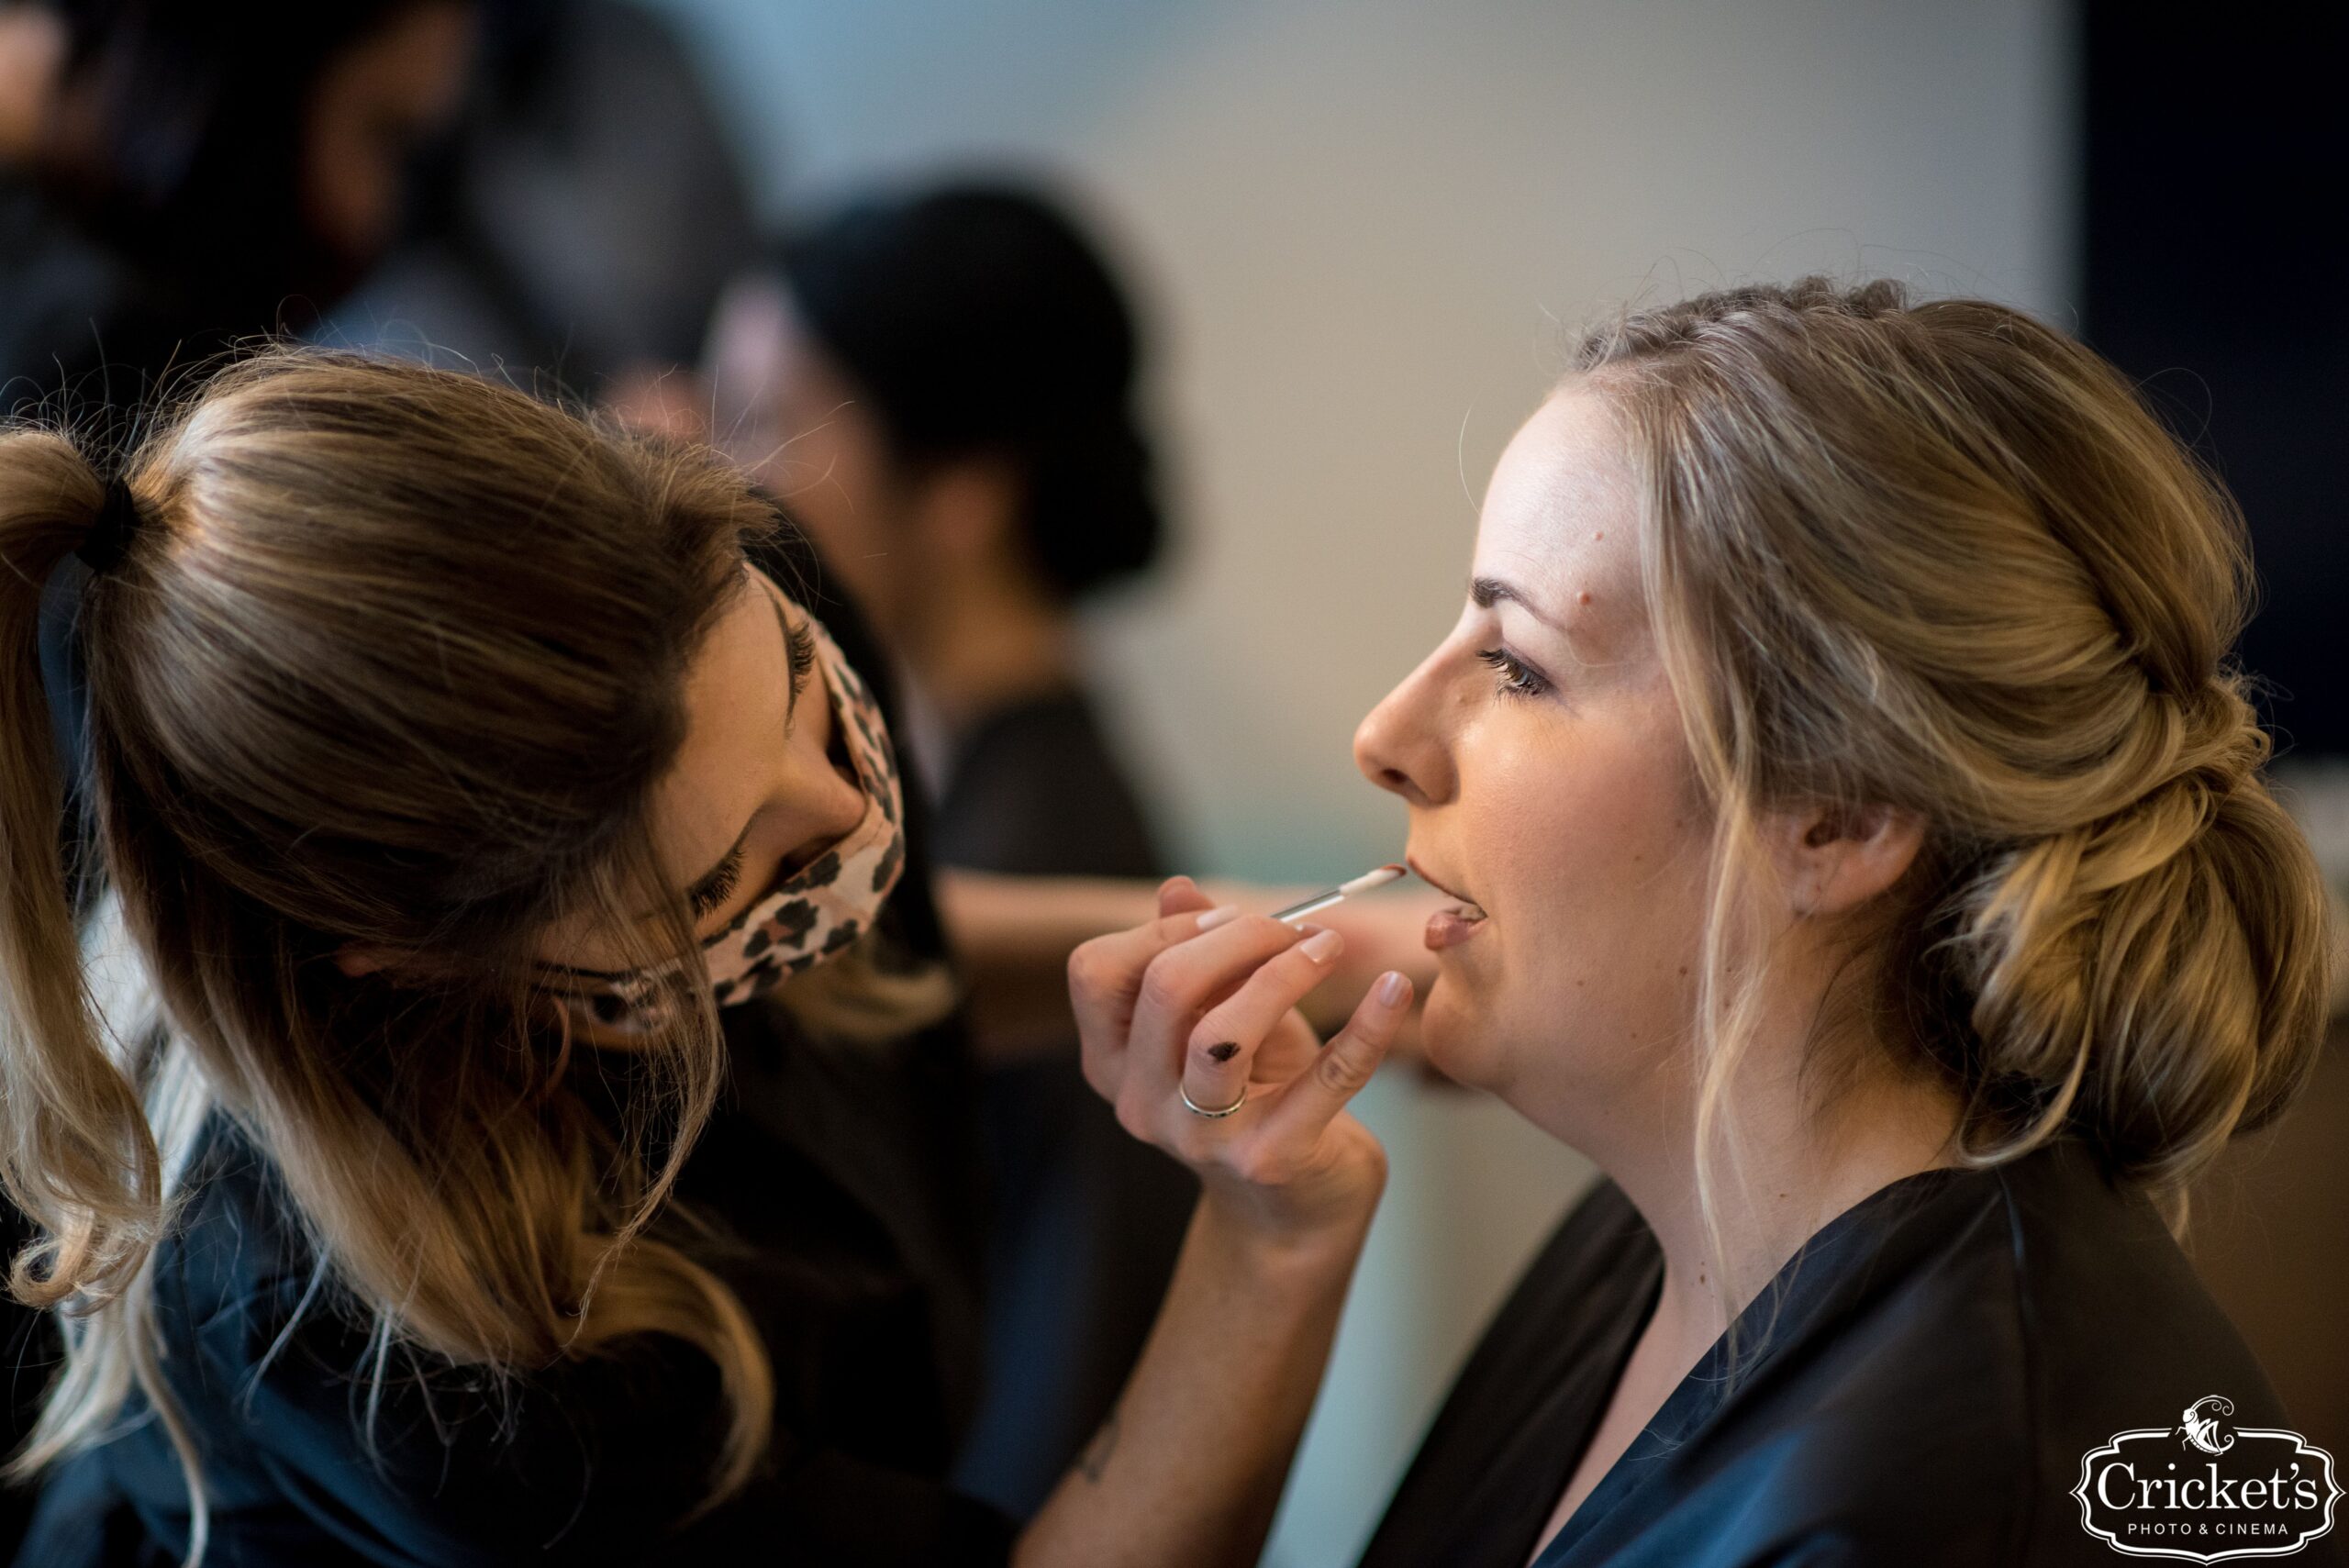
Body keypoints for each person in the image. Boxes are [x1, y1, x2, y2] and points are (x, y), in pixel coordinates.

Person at [0, 349, 1412, 1566]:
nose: (854, 812)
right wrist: (1277, 1240)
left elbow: (862, 944)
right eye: (739, 869)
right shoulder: (421, 1381)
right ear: (436, 967)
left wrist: (1321, 941)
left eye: (807, 690)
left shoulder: (737, 583)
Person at [1066, 278, 2337, 1566]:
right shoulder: (1682, 1238)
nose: (1383, 737)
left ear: (1835, 814)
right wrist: (1267, 1235)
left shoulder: (1942, 1499)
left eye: (1518, 665)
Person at [705, 181, 1196, 1515]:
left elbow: (1071, 1403)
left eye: (763, 420)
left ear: (966, 488)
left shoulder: (1047, 847)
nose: (722, 479)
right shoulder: (955, 793)